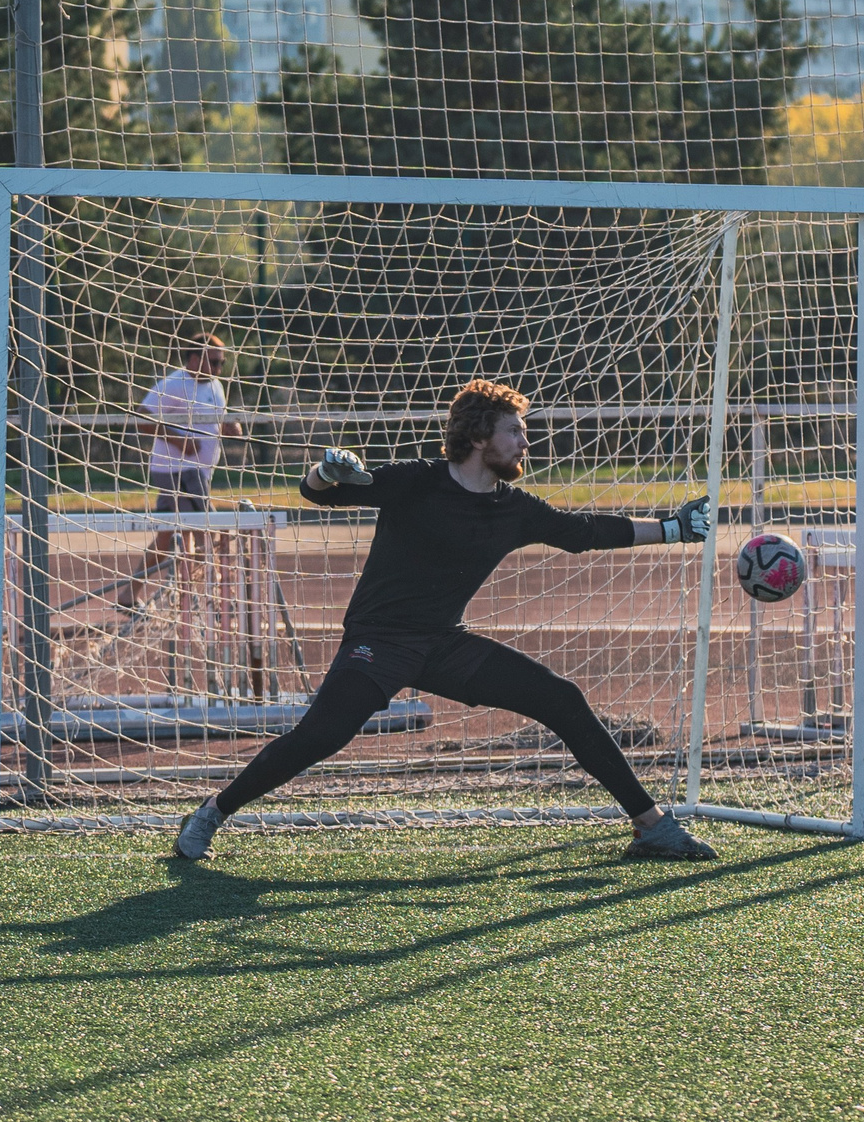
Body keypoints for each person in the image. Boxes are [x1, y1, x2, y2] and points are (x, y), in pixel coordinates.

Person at [171, 378, 720, 863]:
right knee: (323, 734)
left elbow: (586, 533)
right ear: (480, 437)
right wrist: (322, 471)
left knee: (562, 698)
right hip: (379, 641)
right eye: (514, 431)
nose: (525, 441)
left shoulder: (514, 507)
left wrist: (675, 529)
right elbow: (322, 495)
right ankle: (214, 812)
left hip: (443, 644)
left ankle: (652, 828)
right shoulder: (417, 480)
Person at [130, 333, 244, 599]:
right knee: (203, 532)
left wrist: (229, 427)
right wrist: (178, 440)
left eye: (221, 364)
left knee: (167, 539)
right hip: (177, 470)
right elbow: (141, 416)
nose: (218, 369)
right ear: (194, 359)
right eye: (213, 363)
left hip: (200, 473)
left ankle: (131, 594)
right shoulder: (175, 384)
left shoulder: (215, 385)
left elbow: (218, 420)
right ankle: (202, 598)